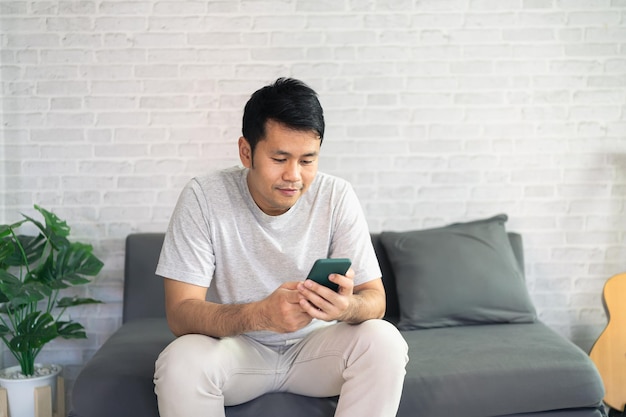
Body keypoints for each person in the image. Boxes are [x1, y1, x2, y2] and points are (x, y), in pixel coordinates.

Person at [153, 77, 409, 417]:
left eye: (307, 160)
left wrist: (344, 307)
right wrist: (261, 315)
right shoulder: (204, 197)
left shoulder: (336, 196)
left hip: (317, 351)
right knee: (180, 360)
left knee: (385, 340)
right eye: (280, 158)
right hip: (238, 350)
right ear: (247, 152)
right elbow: (180, 313)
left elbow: (375, 300)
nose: (294, 176)